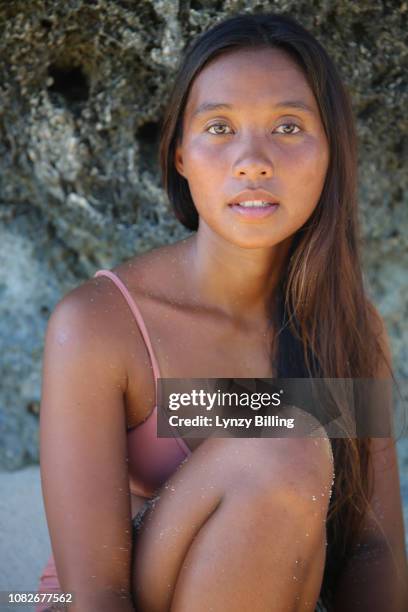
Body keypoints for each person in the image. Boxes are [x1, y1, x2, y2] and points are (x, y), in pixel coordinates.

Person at [36, 12, 407, 612]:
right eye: (219, 127)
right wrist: (267, 425)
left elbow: (371, 549)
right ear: (180, 153)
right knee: (280, 443)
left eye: (288, 126)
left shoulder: (348, 324)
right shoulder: (100, 325)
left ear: (331, 152)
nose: (253, 160)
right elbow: (95, 592)